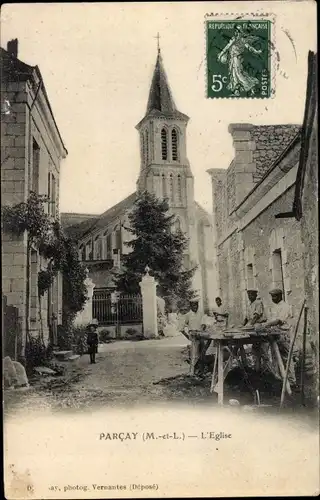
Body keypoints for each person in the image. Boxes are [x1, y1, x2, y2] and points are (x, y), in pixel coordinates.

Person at [263, 288, 297, 386]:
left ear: (279, 296)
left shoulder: (285, 306)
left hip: (283, 334)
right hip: (275, 334)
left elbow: (279, 321)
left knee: (286, 357)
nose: (272, 298)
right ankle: (280, 379)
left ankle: (291, 381)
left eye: (274, 296)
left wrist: (266, 325)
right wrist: (267, 324)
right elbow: (272, 320)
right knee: (275, 357)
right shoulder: (275, 307)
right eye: (272, 296)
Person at [217, 24, 262, 95]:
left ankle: (251, 87)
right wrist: (221, 54)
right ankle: (236, 90)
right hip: (233, 59)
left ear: (240, 32)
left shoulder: (241, 40)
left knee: (238, 74)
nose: (237, 33)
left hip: (237, 59)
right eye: (236, 31)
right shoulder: (235, 39)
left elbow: (249, 47)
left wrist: (256, 51)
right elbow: (227, 47)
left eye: (238, 32)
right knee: (234, 74)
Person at [244, 289, 278, 377]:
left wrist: (249, 325)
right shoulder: (249, 305)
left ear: (255, 295)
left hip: (259, 325)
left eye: (251, 295)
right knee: (255, 352)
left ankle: (273, 374)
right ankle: (257, 372)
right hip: (253, 326)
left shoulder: (258, 302)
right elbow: (246, 318)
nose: (249, 296)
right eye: (248, 295)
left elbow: (256, 316)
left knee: (264, 354)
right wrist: (241, 326)